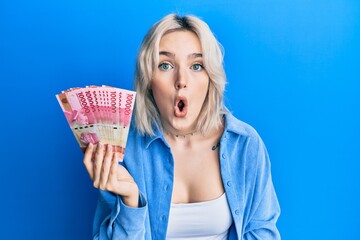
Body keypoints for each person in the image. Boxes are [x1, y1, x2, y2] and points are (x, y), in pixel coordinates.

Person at [83, 13, 280, 239]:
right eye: (165, 65)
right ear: (148, 80)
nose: (181, 80)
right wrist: (130, 200)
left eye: (196, 66)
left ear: (211, 78)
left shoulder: (244, 144)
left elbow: (262, 233)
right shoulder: (124, 150)